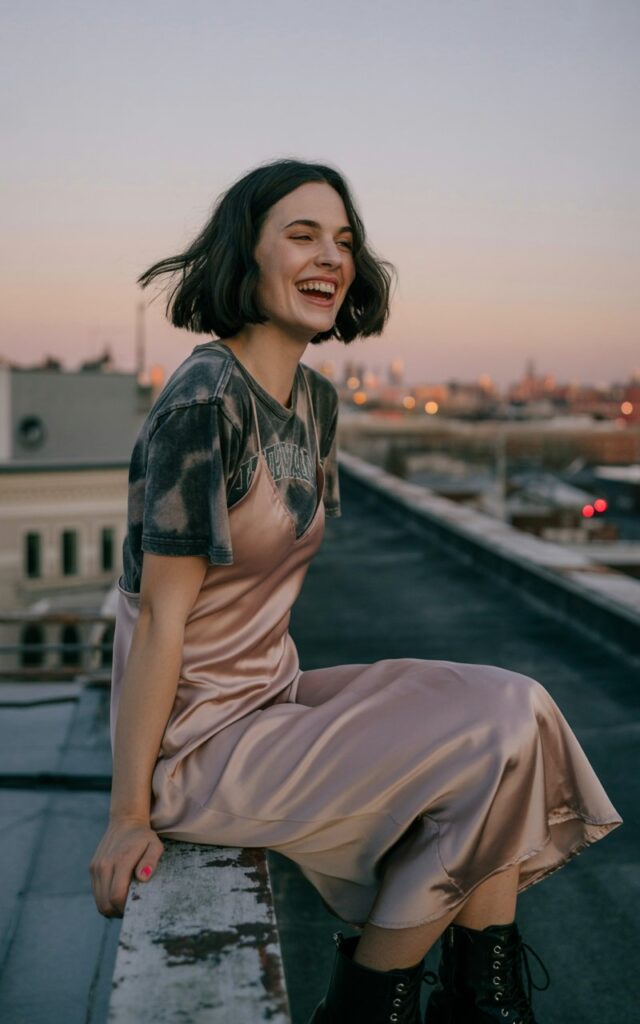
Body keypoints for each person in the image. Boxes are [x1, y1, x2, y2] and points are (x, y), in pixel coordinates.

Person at [90, 157, 622, 1024]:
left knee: (515, 706)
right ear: (246, 254)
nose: (330, 256)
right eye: (302, 235)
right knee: (484, 750)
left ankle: (479, 998)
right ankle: (380, 1004)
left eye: (343, 239)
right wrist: (127, 814)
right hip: (196, 744)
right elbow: (160, 618)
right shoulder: (202, 400)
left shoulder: (315, 401)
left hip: (274, 699)